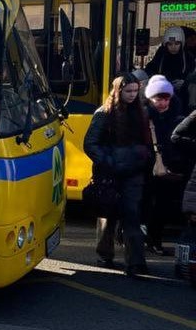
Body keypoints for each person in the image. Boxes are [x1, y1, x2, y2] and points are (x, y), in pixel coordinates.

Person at [83, 72, 152, 277]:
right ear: (118, 91)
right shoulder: (104, 113)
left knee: (132, 214)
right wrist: (110, 162)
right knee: (109, 213)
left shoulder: (140, 112)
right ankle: (105, 254)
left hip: (132, 172)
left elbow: (146, 141)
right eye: (128, 91)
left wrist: (145, 159)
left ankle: (136, 262)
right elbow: (90, 144)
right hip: (110, 173)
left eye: (135, 91)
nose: (132, 95)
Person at [142, 75, 187, 255]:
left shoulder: (178, 115)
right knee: (144, 204)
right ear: (150, 98)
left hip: (168, 167)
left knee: (163, 206)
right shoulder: (144, 116)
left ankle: (155, 238)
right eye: (157, 99)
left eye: (165, 98)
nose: (162, 103)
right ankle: (142, 238)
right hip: (146, 166)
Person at [144, 26, 194, 91]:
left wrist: (185, 83)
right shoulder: (161, 54)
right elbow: (150, 69)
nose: (173, 47)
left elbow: (192, 75)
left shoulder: (188, 57)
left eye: (177, 44)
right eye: (170, 44)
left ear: (182, 44)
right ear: (165, 45)